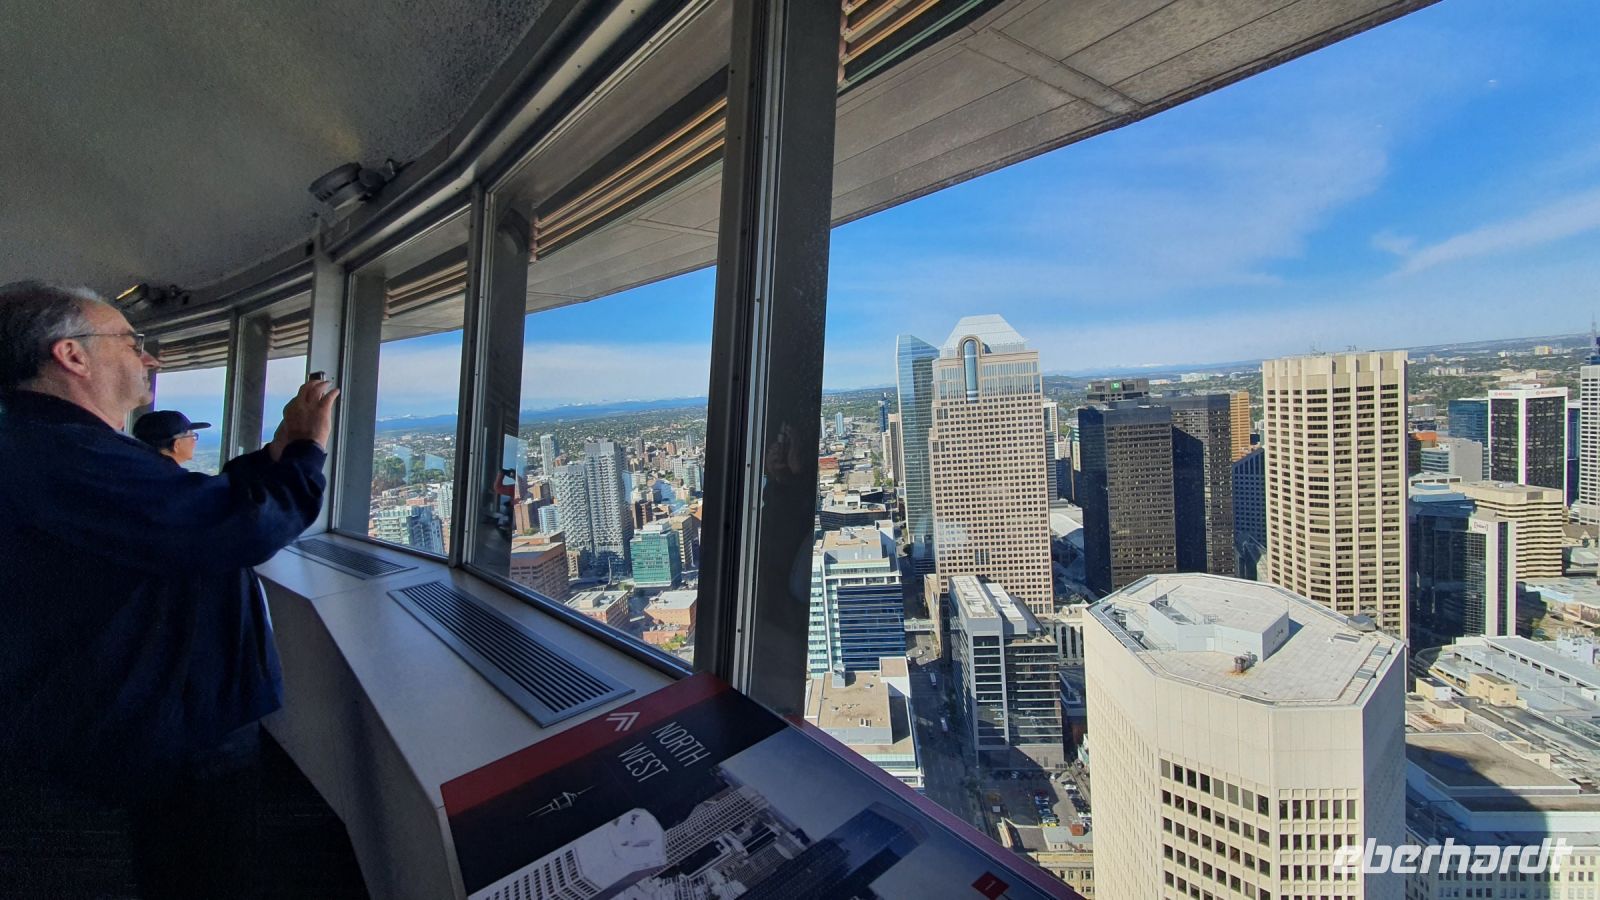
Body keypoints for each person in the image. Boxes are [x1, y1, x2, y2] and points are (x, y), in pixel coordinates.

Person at [0, 280, 340, 898]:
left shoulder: (56, 447)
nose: (148, 358)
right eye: (130, 342)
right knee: (201, 877)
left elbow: (179, 511)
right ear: (71, 355)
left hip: (139, 726)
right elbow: (233, 527)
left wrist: (276, 453)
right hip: (159, 743)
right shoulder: (65, 455)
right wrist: (308, 452)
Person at [132, 409, 211, 466]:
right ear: (177, 445)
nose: (194, 442)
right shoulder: (175, 482)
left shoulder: (136, 472)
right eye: (192, 436)